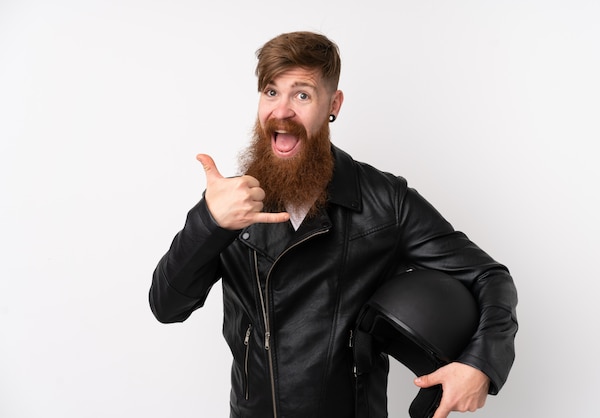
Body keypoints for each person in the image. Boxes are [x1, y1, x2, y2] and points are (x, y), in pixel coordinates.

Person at [149, 31, 518, 418]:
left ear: (333, 104)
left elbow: (490, 277)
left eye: (302, 95)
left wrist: (480, 364)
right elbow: (166, 305)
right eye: (271, 92)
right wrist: (210, 223)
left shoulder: (384, 201)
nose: (282, 110)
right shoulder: (231, 202)